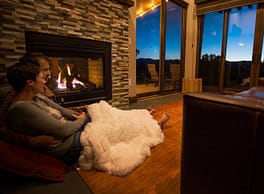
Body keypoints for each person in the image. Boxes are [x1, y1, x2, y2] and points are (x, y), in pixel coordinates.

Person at [6, 62, 169, 165]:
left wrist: (81, 111)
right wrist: (82, 119)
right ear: (29, 82)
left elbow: (64, 112)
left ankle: (142, 115)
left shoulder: (38, 97)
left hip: (74, 128)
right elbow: (62, 131)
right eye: (41, 77)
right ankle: (154, 125)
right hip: (71, 143)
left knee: (106, 110)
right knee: (116, 127)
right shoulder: (22, 108)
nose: (45, 80)